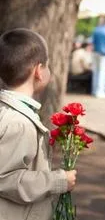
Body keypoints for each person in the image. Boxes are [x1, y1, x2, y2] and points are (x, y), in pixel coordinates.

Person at [0, 29, 77, 220]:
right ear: (39, 71)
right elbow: (6, 179)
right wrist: (58, 180)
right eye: (48, 64)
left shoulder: (9, 113)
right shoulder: (19, 124)